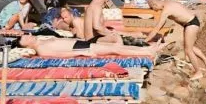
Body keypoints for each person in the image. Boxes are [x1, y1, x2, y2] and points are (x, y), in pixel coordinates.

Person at [148, 0, 206, 79]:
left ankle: (198, 72)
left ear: (155, 4)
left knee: (188, 50)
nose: (153, 10)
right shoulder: (168, 2)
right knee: (190, 47)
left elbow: (157, 28)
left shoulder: (166, 10)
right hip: (191, 22)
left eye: (152, 7)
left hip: (191, 24)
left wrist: (145, 41)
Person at [19, 34, 164, 58]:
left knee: (114, 47)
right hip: (78, 49)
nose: (29, 36)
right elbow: (60, 54)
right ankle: (146, 52)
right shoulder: (41, 49)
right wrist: (81, 54)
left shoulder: (41, 40)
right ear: (27, 45)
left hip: (78, 43)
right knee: (114, 49)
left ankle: (146, 49)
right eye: (26, 38)